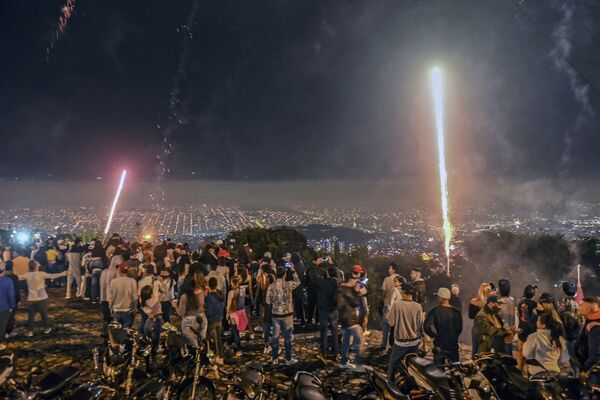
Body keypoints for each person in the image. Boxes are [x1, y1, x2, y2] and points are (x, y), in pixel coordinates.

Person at [387, 283, 424, 382]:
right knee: (411, 367)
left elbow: (391, 322)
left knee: (392, 365)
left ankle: (390, 386)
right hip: (414, 343)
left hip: (400, 343)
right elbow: (421, 325)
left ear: (403, 292)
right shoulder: (418, 306)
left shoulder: (397, 304)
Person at [266, 265, 300, 365]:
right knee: (288, 337)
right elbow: (298, 282)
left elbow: (267, 301)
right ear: (285, 274)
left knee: (275, 337)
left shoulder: (271, 286)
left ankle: (275, 358)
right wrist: (293, 271)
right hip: (287, 314)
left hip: (276, 314)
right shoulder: (288, 284)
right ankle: (288, 359)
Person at [424, 287, 462, 365]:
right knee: (456, 370)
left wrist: (435, 336)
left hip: (439, 345)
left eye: (438, 296)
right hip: (453, 345)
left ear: (441, 298)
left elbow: (426, 326)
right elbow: (459, 328)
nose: (437, 298)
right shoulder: (456, 312)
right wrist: (453, 336)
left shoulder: (435, 310)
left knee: (438, 372)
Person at [523, 312, 569, 376]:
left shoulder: (534, 337)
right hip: (555, 373)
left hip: (538, 373)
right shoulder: (560, 339)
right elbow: (564, 359)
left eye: (538, 321)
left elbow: (526, 353)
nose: (536, 322)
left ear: (543, 325)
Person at [338, 271, 365, 371]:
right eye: (355, 279)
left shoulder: (341, 288)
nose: (356, 281)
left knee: (345, 341)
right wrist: (357, 292)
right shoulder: (347, 290)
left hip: (344, 318)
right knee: (359, 341)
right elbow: (356, 303)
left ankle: (343, 362)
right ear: (350, 279)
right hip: (351, 319)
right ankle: (359, 365)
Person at [559, 281, 583, 374]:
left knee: (573, 357)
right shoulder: (574, 302)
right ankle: (576, 374)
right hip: (573, 333)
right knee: (572, 357)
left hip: (570, 334)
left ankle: (578, 376)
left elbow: (570, 321)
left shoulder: (567, 303)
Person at [177, 277, 207, 348]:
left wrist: (175, 306)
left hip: (189, 321)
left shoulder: (184, 297)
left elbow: (181, 313)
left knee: (193, 346)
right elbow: (202, 307)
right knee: (202, 343)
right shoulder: (201, 292)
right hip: (202, 319)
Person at [316, 266, 339, 360]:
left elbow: (316, 282)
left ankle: (323, 353)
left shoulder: (322, 282)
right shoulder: (337, 283)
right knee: (334, 332)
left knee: (323, 332)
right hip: (333, 310)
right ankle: (335, 353)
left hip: (323, 310)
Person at [108, 263, 138, 328]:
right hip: (128, 310)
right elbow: (135, 298)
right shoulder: (132, 281)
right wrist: (134, 310)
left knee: (117, 333)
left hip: (116, 310)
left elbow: (110, 298)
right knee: (127, 334)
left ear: (119, 271)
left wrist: (111, 308)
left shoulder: (113, 282)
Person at [469, 283, 493, 359]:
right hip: (487, 331)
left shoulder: (473, 302)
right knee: (486, 354)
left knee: (475, 352)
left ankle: (474, 368)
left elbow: (471, 316)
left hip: (476, 329)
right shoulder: (491, 304)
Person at [517, 284, 539, 369]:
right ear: (533, 295)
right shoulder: (534, 305)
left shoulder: (520, 302)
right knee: (529, 357)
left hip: (521, 331)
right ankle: (527, 376)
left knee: (520, 355)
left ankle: (518, 373)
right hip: (530, 333)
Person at [255, 263, 275, 354]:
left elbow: (261, 289)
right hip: (271, 300)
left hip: (265, 298)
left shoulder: (262, 278)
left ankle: (266, 341)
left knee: (265, 318)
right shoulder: (272, 276)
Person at [576, 297, 600, 372]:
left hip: (593, 370)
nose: (578, 308)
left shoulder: (595, 326)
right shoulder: (591, 320)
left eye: (581, 306)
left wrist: (584, 370)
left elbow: (594, 356)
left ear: (588, 310)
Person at [205, 277, 225, 364]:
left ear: (209, 285)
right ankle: (221, 356)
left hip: (211, 320)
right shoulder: (220, 294)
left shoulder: (209, 297)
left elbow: (209, 312)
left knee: (211, 340)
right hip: (219, 319)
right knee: (219, 338)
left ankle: (212, 358)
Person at [381, 263, 400, 351]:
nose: (388, 270)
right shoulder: (401, 279)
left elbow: (384, 292)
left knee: (385, 326)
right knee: (395, 326)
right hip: (398, 307)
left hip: (387, 305)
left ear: (393, 270)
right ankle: (395, 344)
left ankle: (384, 344)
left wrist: (384, 299)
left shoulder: (387, 279)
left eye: (390, 268)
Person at [227, 275, 247, 356]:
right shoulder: (243, 290)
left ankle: (239, 349)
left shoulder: (231, 292)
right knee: (234, 330)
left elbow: (228, 306)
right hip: (241, 312)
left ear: (232, 282)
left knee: (235, 332)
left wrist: (227, 315)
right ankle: (229, 342)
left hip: (233, 313)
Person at [140, 284, 162, 358]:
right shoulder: (154, 300)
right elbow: (156, 301)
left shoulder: (143, 302)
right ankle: (154, 359)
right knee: (155, 343)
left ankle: (147, 359)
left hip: (148, 322)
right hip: (156, 321)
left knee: (148, 341)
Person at [497, 278, 516, 355]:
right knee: (508, 353)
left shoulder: (499, 302)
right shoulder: (512, 300)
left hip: (501, 330)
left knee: (501, 355)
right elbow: (512, 316)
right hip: (510, 329)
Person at [0, 262, 16, 350]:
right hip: (4, 307)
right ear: (4, 270)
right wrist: (12, 306)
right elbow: (11, 295)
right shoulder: (7, 280)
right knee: (2, 326)